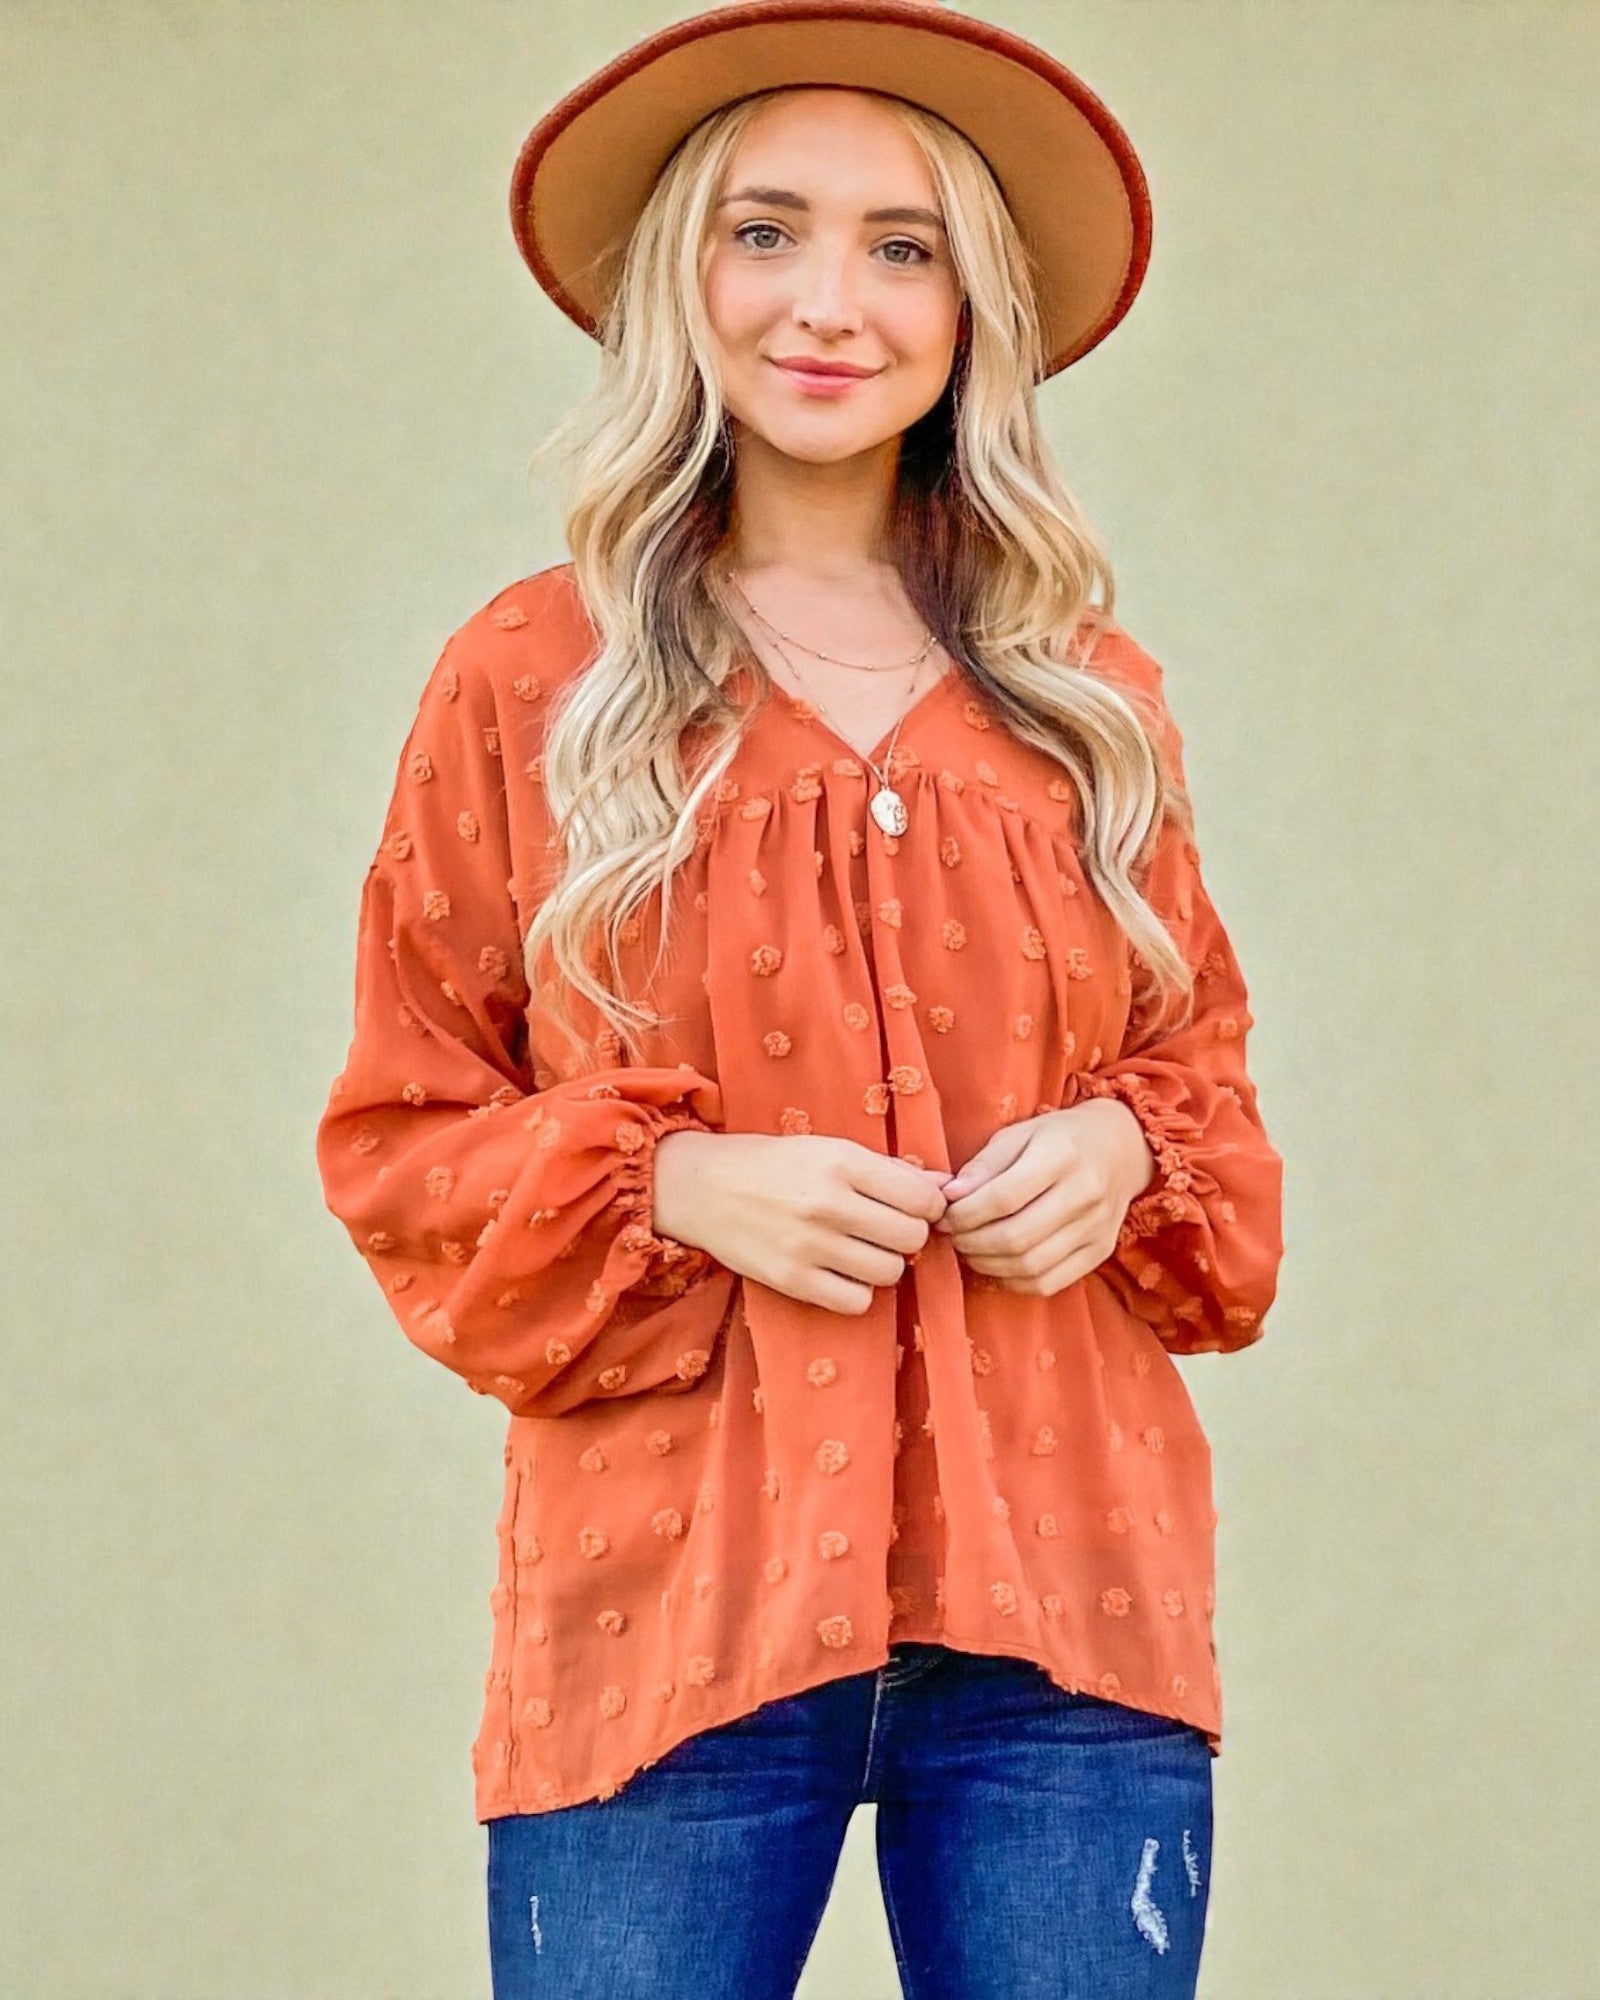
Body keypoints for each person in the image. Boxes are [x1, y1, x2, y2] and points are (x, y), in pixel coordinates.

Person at [314, 3, 1286, 1993]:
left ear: (968, 309)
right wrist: (669, 1188)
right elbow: (399, 1133)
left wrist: (1121, 1146)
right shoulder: (526, 678)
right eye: (765, 231)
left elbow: (1208, 1109)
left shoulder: (1089, 696)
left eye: (899, 244)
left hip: (1064, 1619)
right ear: (684, 274)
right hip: (666, 1613)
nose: (825, 300)